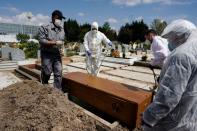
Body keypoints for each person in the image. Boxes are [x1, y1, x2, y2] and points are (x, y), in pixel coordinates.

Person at [142, 19, 197, 131]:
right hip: (190, 114)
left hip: (174, 119)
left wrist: (149, 117)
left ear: (179, 36)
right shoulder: (193, 49)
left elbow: (169, 95)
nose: (169, 43)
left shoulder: (182, 55)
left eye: (171, 39)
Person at [38, 10, 65, 90]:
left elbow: (62, 41)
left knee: (58, 72)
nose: (60, 20)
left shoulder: (61, 29)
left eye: (61, 19)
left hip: (57, 54)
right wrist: (55, 42)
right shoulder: (45, 27)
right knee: (47, 72)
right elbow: (41, 40)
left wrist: (62, 48)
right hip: (47, 54)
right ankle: (45, 88)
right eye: (59, 18)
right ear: (54, 17)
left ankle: (57, 92)